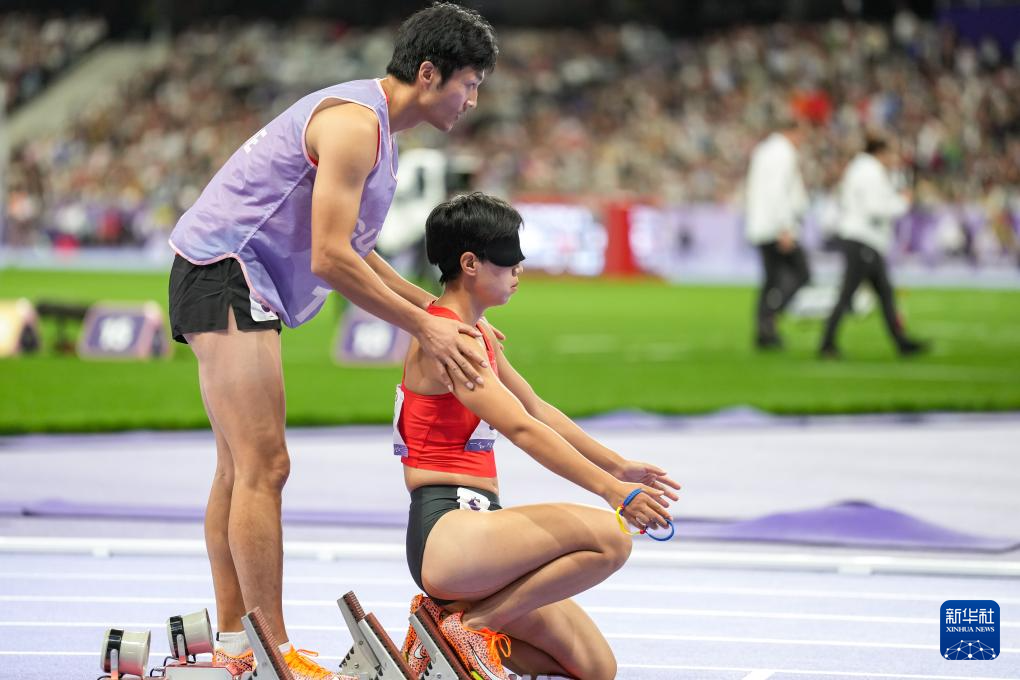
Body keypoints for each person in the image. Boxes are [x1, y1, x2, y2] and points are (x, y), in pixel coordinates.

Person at [165, 5, 498, 679]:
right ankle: (274, 652)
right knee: (264, 467)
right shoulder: (354, 126)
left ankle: (238, 645)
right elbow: (329, 258)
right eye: (468, 83)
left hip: (227, 273)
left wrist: (436, 308)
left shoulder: (380, 133)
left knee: (238, 470)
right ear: (428, 74)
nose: (472, 100)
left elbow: (355, 248)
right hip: (225, 270)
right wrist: (425, 326)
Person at [393, 193, 681, 680]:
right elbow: (522, 429)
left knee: (596, 669)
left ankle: (444, 632)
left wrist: (617, 465)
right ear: (470, 264)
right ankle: (473, 627)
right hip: (448, 531)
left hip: (481, 534)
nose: (519, 269)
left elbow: (536, 408)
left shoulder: (475, 332)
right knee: (613, 538)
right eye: (508, 259)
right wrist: (614, 492)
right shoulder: (450, 341)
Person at [819, 135, 929, 358]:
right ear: (881, 152)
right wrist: (902, 203)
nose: (893, 159)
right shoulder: (870, 172)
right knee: (850, 293)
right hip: (863, 238)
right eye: (891, 153)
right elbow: (874, 208)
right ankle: (827, 343)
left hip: (861, 237)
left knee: (883, 293)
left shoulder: (860, 169)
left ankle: (900, 342)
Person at [745, 120, 811, 349]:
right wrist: (785, 227)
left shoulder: (763, 150)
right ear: (792, 132)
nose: (802, 140)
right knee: (802, 273)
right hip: (776, 227)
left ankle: (765, 331)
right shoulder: (784, 153)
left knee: (771, 280)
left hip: (761, 224)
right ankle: (769, 317)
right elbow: (779, 191)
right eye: (801, 134)